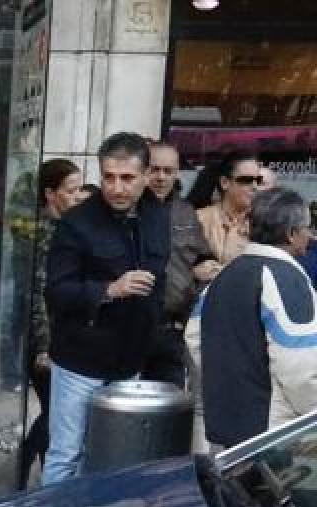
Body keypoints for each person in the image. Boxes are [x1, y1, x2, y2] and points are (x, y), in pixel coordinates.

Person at [42, 132, 170, 485]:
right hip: (81, 361)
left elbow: (160, 282)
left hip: (131, 360)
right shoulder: (76, 223)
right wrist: (110, 290)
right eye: (108, 177)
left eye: (127, 178)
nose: (117, 187)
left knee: (117, 459)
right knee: (67, 454)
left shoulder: (157, 217)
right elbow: (56, 292)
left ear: (146, 176)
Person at [186, 187, 315, 449]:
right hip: (273, 434)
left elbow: (194, 340)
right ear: (291, 234)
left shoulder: (224, 275)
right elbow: (300, 369)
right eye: (307, 228)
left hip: (225, 425)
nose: (310, 236)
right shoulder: (286, 279)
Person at [19, 158, 82, 487]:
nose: (77, 197)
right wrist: (44, 346)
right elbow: (38, 294)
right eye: (70, 191)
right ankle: (26, 464)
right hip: (46, 338)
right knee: (55, 414)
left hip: (58, 335)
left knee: (53, 413)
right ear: (50, 193)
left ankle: (32, 468)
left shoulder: (65, 229)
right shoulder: (47, 234)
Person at [140, 140, 218, 387]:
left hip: (171, 330)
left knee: (169, 412)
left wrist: (205, 268)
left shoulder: (185, 211)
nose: (161, 177)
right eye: (154, 169)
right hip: (130, 328)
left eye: (168, 171)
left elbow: (201, 255)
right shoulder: (127, 209)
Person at [195, 150, 261, 264]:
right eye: (246, 180)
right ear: (224, 182)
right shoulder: (199, 220)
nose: (254, 186)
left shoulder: (264, 223)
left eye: (258, 180)